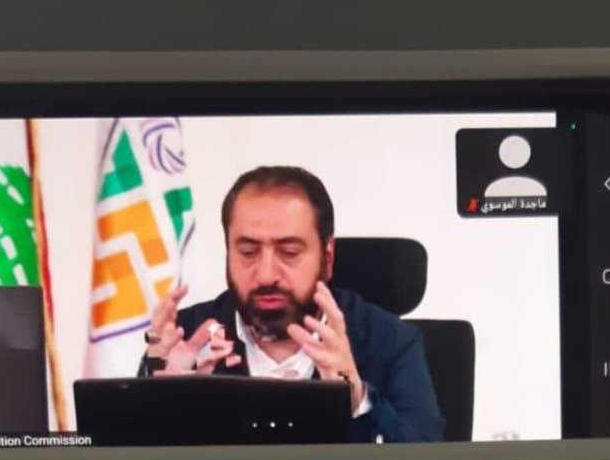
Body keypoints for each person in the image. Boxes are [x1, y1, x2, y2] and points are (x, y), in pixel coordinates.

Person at [141, 166, 443, 442]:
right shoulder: (184, 337)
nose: (266, 275)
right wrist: (163, 406)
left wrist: (356, 400)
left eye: (289, 252)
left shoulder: (389, 341)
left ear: (327, 258)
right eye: (248, 252)